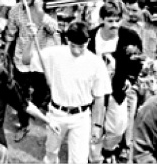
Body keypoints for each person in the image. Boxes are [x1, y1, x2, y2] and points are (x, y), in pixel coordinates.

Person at [38, 21, 112, 164]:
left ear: (88, 42)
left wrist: (97, 126)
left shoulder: (96, 63)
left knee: (79, 160)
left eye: (81, 47)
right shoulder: (54, 53)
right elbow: (27, 59)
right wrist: (33, 35)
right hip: (56, 114)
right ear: (67, 40)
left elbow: (99, 98)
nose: (77, 51)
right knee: (51, 153)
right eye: (73, 46)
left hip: (81, 118)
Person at [87, 0, 143, 163]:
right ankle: (95, 157)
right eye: (110, 21)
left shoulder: (129, 37)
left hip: (117, 88)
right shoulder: (91, 37)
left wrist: (130, 79)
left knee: (118, 125)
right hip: (94, 90)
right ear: (102, 20)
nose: (114, 24)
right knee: (94, 124)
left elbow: (137, 61)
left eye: (117, 20)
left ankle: (109, 148)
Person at [4, 0, 57, 141]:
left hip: (41, 59)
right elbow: (11, 33)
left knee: (41, 91)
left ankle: (37, 108)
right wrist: (5, 54)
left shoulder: (45, 7)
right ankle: (24, 123)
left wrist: (41, 16)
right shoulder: (15, 10)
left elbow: (54, 29)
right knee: (21, 95)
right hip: (22, 58)